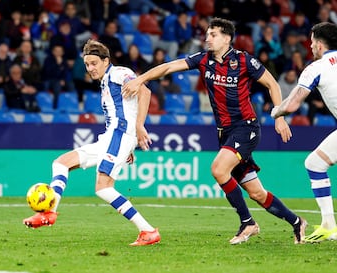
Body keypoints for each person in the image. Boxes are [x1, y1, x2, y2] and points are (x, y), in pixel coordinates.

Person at [122, 17, 307, 245]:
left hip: (246, 127)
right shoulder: (203, 60)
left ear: (227, 38)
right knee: (256, 193)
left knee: (218, 169)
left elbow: (273, 84)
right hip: (225, 132)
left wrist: (279, 117)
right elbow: (169, 67)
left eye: (213, 34)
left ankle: (247, 223)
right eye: (207, 34)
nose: (207, 38)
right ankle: (297, 222)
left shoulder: (244, 61)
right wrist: (140, 79)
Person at [23, 39, 161, 246]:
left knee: (103, 187)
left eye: (94, 63)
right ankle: (49, 213)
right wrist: (128, 145)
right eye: (87, 64)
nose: (90, 68)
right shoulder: (105, 81)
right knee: (61, 162)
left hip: (120, 134)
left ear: (106, 61)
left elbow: (145, 91)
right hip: (112, 137)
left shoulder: (118, 73)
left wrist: (138, 128)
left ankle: (148, 231)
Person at [271, 22, 337, 243]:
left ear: (319, 44)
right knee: (315, 164)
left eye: (311, 42)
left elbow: (292, 104)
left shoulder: (315, 67)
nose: (310, 47)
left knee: (314, 164)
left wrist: (276, 112)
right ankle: (329, 225)